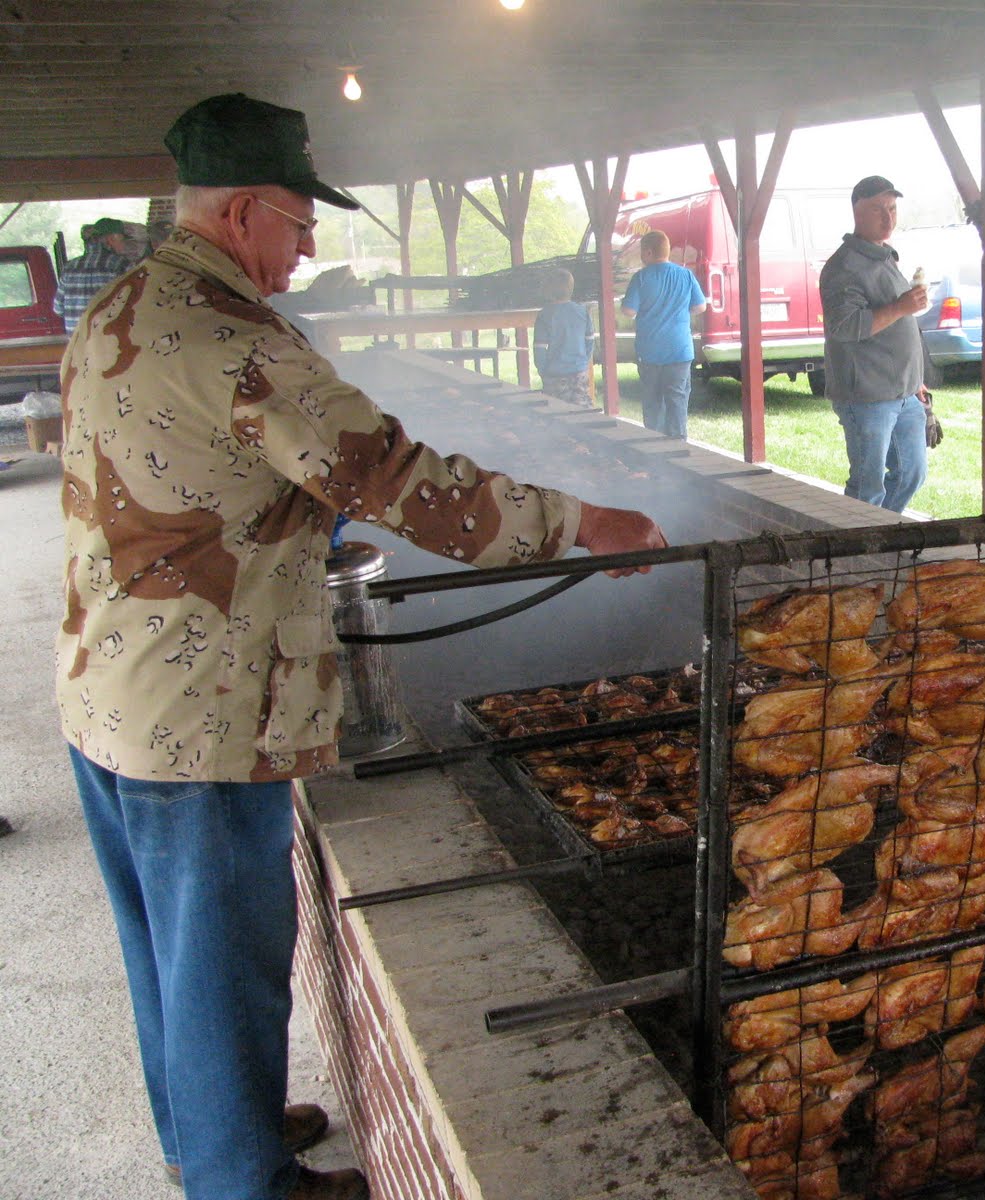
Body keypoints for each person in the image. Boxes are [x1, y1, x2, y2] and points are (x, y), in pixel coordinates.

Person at [55, 93, 667, 1200]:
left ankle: (208, 1128)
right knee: (223, 967)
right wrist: (584, 523)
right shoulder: (232, 334)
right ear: (243, 211)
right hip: (203, 711)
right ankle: (245, 1182)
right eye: (298, 223)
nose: (309, 246)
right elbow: (392, 477)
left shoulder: (130, 304)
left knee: (166, 956)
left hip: (111, 689)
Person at [819, 175, 932, 513]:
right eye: (877, 209)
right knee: (868, 483)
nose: (888, 217)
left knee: (912, 473)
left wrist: (916, 381)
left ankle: (883, 533)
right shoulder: (843, 267)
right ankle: (854, 551)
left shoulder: (884, 257)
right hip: (866, 397)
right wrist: (902, 307)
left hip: (905, 393)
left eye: (892, 208)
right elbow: (846, 326)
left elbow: (898, 327)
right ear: (857, 212)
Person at [620, 230, 706, 439]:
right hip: (679, 350)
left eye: (642, 252)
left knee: (653, 403)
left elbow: (628, 311)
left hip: (650, 352)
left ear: (648, 252)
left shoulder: (640, 278)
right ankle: (678, 447)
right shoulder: (685, 275)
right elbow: (700, 306)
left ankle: (654, 449)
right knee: (677, 401)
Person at [52, 216, 137, 333]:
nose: (124, 246)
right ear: (111, 239)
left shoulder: (70, 268)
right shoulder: (122, 266)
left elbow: (58, 309)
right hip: (108, 344)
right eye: (122, 240)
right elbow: (136, 305)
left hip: (77, 345)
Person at [533, 267, 595, 406]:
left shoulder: (544, 315)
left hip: (555, 374)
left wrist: (543, 371)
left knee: (557, 412)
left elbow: (540, 350)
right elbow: (590, 341)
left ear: (549, 289)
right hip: (579, 372)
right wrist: (584, 362)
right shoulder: (582, 312)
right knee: (581, 410)